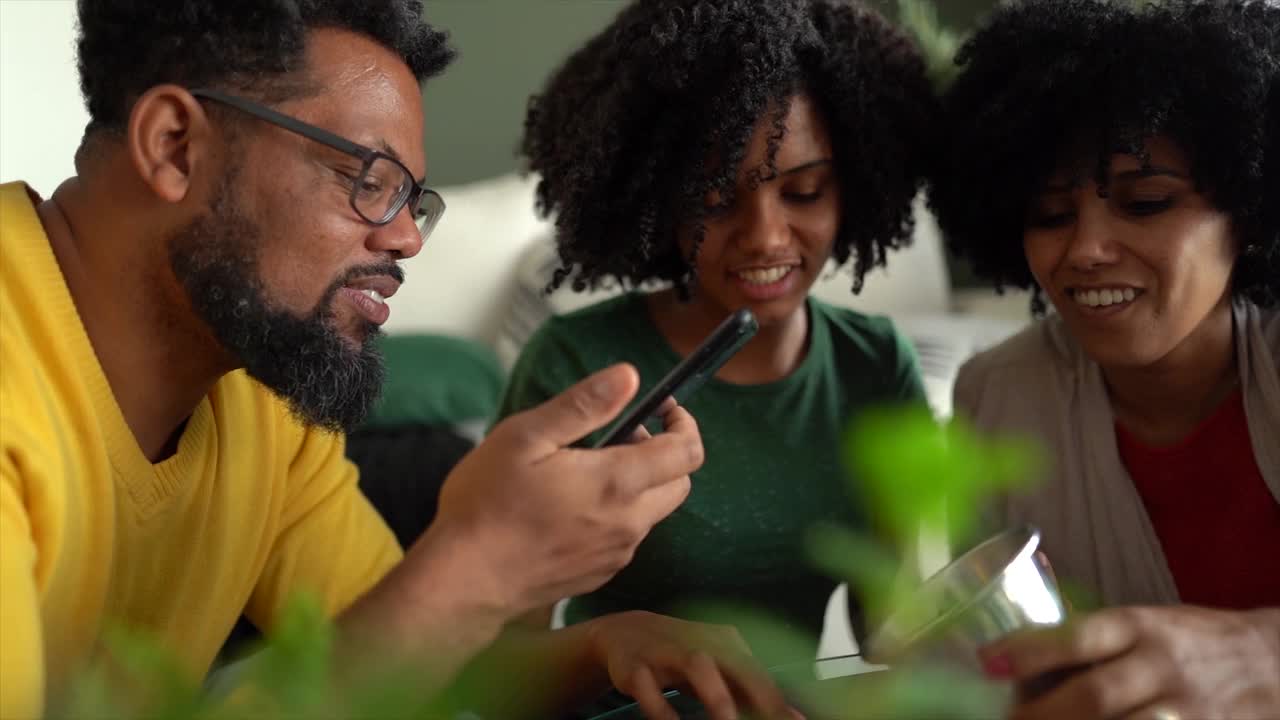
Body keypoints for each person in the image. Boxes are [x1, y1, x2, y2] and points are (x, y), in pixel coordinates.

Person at [0, 1, 757, 717]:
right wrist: (482, 563)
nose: (407, 240)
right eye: (367, 181)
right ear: (175, 146)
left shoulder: (260, 392)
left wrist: (603, 649)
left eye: (411, 199)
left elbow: (399, 665)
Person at [501, 0, 935, 707]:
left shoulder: (877, 366)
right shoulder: (576, 367)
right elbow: (493, 673)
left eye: (804, 191)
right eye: (713, 200)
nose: (766, 236)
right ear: (659, 205)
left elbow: (898, 637)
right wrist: (619, 642)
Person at [931, 1, 1280, 718]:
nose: (1085, 249)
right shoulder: (997, 398)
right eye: (1051, 215)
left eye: (1146, 202)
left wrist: (1263, 652)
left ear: (1248, 211)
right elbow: (975, 669)